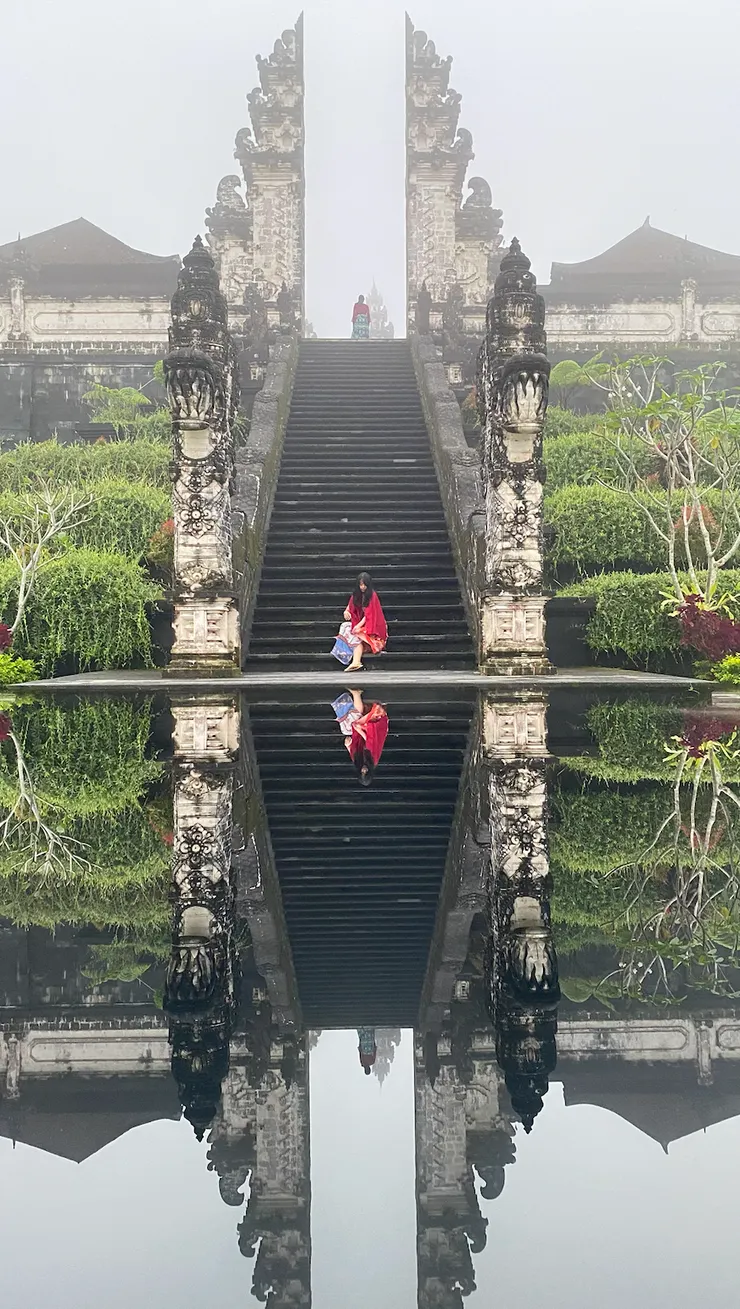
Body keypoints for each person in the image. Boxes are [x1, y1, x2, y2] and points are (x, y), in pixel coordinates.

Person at [331, 689, 389, 786]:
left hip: (362, 732)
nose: (363, 770)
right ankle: (356, 694)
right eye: (366, 772)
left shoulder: (357, 762)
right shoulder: (373, 759)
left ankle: (350, 698)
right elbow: (370, 740)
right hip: (373, 727)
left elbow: (353, 751)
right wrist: (359, 729)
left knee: (346, 727)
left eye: (362, 772)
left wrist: (348, 745)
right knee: (355, 719)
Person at [334, 572, 387, 672]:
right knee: (345, 626)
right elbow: (350, 605)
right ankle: (356, 661)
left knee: (356, 632)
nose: (362, 587)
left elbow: (369, 614)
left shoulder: (372, 595)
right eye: (360, 584)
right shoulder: (357, 595)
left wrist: (358, 626)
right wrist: (346, 611)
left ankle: (356, 661)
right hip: (362, 624)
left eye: (364, 585)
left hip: (373, 626)